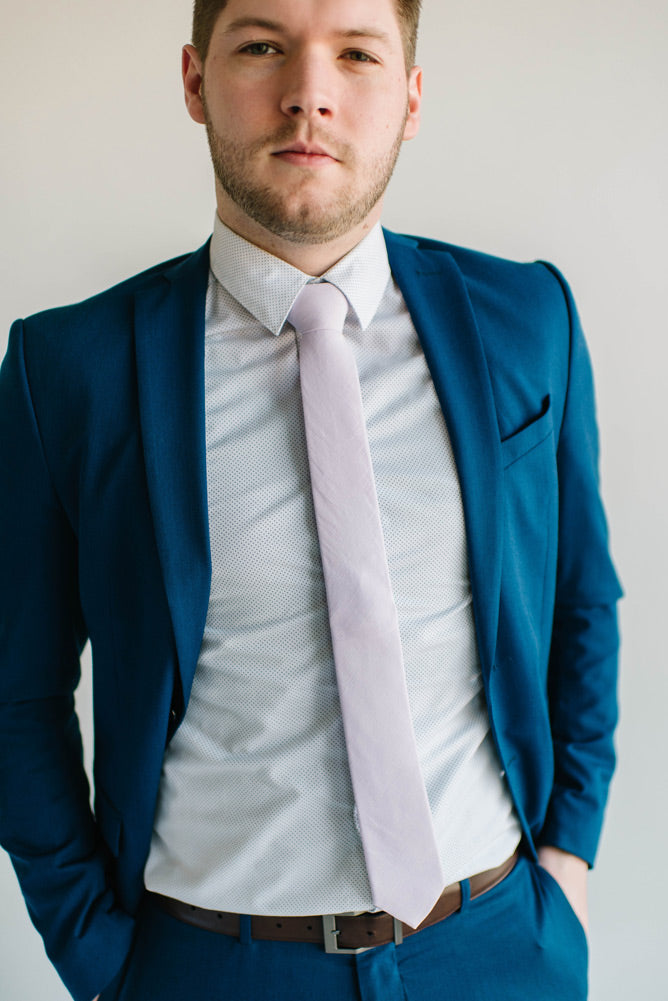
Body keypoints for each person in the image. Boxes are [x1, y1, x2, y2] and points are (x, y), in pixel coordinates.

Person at [0, 0, 621, 999]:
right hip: (208, 967)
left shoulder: (525, 318)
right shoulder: (68, 370)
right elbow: (15, 689)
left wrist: (569, 861)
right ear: (195, 80)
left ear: (409, 98)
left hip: (498, 948)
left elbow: (582, 599)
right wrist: (97, 956)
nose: (308, 95)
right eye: (262, 47)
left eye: (357, 54)